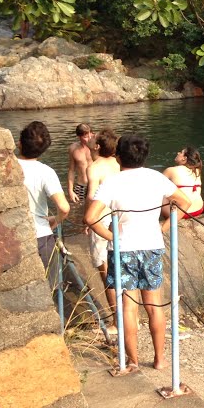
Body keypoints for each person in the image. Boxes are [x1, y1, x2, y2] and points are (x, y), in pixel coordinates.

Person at [85, 134, 191, 372]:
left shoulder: (112, 182)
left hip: (123, 250)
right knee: (154, 304)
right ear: (145, 155)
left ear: (118, 157)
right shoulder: (156, 178)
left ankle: (132, 361)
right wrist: (164, 227)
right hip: (151, 245)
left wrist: (113, 237)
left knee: (128, 306)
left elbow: (90, 218)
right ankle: (160, 360)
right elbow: (186, 203)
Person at [18, 121, 70, 277]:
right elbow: (64, 207)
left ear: (19, 143)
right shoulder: (46, 172)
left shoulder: (7, 167)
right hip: (40, 234)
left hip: (11, 236)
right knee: (50, 286)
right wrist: (56, 220)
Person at [86, 129, 120, 322]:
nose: (90, 139)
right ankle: (129, 317)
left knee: (106, 270)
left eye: (93, 138)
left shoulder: (94, 167)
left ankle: (117, 320)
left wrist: (87, 219)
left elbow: (91, 197)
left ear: (98, 146)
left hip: (102, 217)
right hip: (120, 215)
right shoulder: (120, 163)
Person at [163, 147, 204, 219]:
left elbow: (156, 187)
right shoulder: (197, 170)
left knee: (161, 194)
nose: (178, 153)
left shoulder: (171, 170)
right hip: (198, 210)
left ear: (184, 158)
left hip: (181, 213)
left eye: (181, 152)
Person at [67, 123, 94, 204]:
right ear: (79, 137)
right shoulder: (73, 148)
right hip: (80, 186)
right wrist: (70, 190)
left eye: (90, 136)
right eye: (85, 137)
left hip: (94, 185)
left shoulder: (97, 147)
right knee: (76, 211)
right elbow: (71, 170)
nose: (89, 139)